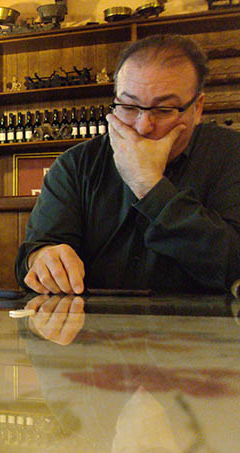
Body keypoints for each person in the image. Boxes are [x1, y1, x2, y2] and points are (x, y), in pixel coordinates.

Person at [15, 34, 240, 294]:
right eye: (129, 107)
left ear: (197, 108)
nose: (143, 126)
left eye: (164, 109)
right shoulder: (76, 165)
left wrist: (150, 187)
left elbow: (233, 265)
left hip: (209, 320)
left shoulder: (230, 154)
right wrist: (42, 258)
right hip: (92, 319)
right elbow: (32, 255)